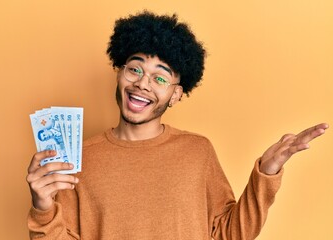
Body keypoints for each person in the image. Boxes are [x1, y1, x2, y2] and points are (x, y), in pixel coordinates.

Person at [26, 11, 329, 240]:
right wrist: (42, 207)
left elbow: (228, 234)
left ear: (176, 94)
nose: (142, 83)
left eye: (160, 77)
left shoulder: (197, 151)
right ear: (119, 74)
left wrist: (267, 171)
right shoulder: (76, 159)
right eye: (134, 68)